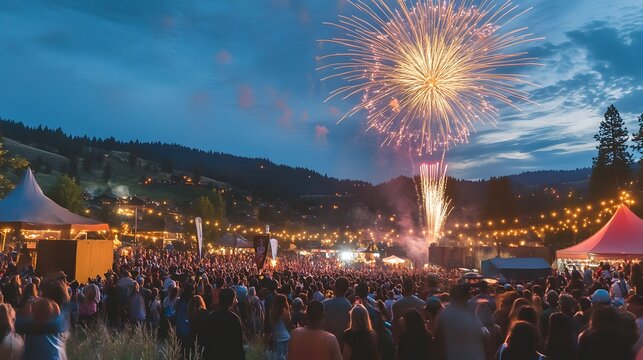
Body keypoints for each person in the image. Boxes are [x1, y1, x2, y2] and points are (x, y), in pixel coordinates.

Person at [434, 284, 484, 360]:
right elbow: (483, 337)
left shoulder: (445, 314)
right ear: (466, 297)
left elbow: (437, 339)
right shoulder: (472, 315)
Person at [202, 288, 245, 360]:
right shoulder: (235, 319)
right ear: (232, 301)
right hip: (229, 354)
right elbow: (239, 344)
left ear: (219, 298)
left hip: (213, 354)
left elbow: (206, 339)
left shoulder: (210, 317)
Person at [323, 277, 352, 350]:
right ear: (347, 290)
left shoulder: (324, 304)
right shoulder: (350, 307)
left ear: (335, 287)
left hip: (325, 343)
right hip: (342, 345)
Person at [270, 294, 293, 360]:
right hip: (285, 337)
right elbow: (288, 325)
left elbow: (272, 325)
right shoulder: (285, 312)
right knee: (286, 356)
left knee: (278, 356)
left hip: (276, 337)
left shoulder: (272, 312)